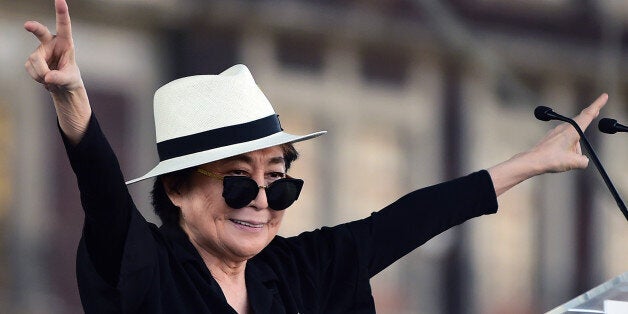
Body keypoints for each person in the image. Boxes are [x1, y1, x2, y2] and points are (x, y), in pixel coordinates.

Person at [24, 1, 608, 313]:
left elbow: (406, 221)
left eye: (278, 184)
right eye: (236, 183)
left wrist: (530, 162)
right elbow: (101, 196)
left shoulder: (295, 271)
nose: (261, 202)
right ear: (176, 189)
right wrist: (72, 95)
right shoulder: (147, 270)